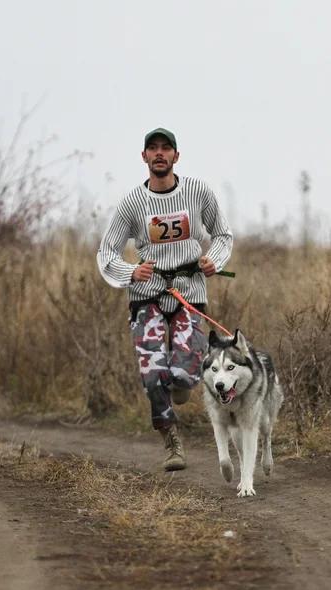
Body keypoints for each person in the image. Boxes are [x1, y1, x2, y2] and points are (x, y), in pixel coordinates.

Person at [97, 127, 233, 471]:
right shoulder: (132, 203)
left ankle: (182, 382)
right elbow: (106, 252)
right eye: (152, 149)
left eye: (166, 148)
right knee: (152, 373)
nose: (159, 154)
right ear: (144, 157)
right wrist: (131, 272)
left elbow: (222, 233)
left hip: (188, 292)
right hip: (147, 295)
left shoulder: (198, 192)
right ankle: (171, 441)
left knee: (186, 374)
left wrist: (213, 259)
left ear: (176, 156)